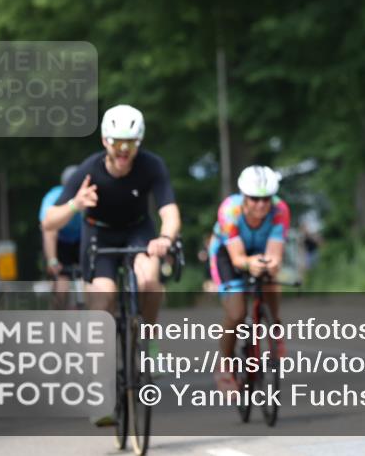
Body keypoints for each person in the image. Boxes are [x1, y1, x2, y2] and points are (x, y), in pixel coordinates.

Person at [42, 105, 179, 385]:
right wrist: (75, 204)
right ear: (105, 141)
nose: (123, 151)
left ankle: (148, 341)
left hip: (138, 230)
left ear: (139, 141)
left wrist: (165, 238)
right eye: (117, 143)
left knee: (149, 281)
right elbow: (48, 222)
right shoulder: (88, 170)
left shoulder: (152, 165)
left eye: (130, 143)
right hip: (98, 235)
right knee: (103, 299)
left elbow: (169, 211)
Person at [209, 165, 289, 391]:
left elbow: (275, 255)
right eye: (254, 199)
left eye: (266, 199)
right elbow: (237, 259)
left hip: (261, 249)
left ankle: (275, 326)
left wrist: (269, 265)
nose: (261, 205)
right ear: (243, 196)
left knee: (270, 279)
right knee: (236, 313)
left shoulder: (280, 210)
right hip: (228, 254)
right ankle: (224, 365)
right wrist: (248, 264)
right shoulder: (230, 210)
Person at [39, 165, 84, 304]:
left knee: (89, 281)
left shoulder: (87, 194)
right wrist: (52, 260)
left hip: (82, 238)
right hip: (60, 241)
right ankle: (60, 312)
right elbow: (48, 229)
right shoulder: (53, 197)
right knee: (62, 281)